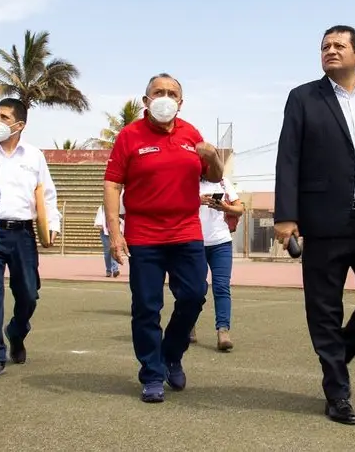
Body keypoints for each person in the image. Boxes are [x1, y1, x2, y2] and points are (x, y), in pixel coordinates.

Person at [273, 25, 355, 425]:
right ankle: (337, 393)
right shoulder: (303, 98)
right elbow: (288, 158)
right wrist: (286, 216)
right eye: (325, 46)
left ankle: (337, 355)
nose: (330, 51)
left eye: (339, 46)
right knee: (324, 309)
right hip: (323, 220)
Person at [103, 73, 224, 403]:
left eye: (172, 93)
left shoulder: (191, 134)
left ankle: (171, 353)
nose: (165, 97)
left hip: (186, 232)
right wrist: (115, 234)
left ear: (181, 102)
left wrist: (211, 156)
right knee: (146, 306)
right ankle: (152, 374)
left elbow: (213, 177)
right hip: (144, 236)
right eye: (159, 92)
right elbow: (113, 184)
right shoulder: (129, 136)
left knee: (195, 295)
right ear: (146, 100)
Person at [0, 97, 59, 380]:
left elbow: (46, 193)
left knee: (28, 293)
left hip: (23, 233)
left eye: (4, 117)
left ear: (20, 124)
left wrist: (53, 224)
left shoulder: (34, 156)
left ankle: (17, 331)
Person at [193, 176, 244, 351]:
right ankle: (188, 325)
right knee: (195, 289)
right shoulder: (185, 177)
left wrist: (225, 207)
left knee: (221, 287)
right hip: (194, 242)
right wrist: (195, 200)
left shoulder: (222, 182)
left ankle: (223, 331)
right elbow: (171, 204)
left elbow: (240, 209)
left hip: (221, 242)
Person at [94, 192, 125, 278]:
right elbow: (99, 218)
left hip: (116, 232)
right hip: (105, 232)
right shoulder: (102, 208)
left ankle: (115, 269)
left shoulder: (118, 207)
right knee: (107, 252)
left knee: (114, 249)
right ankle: (108, 270)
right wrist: (99, 224)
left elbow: (121, 219)